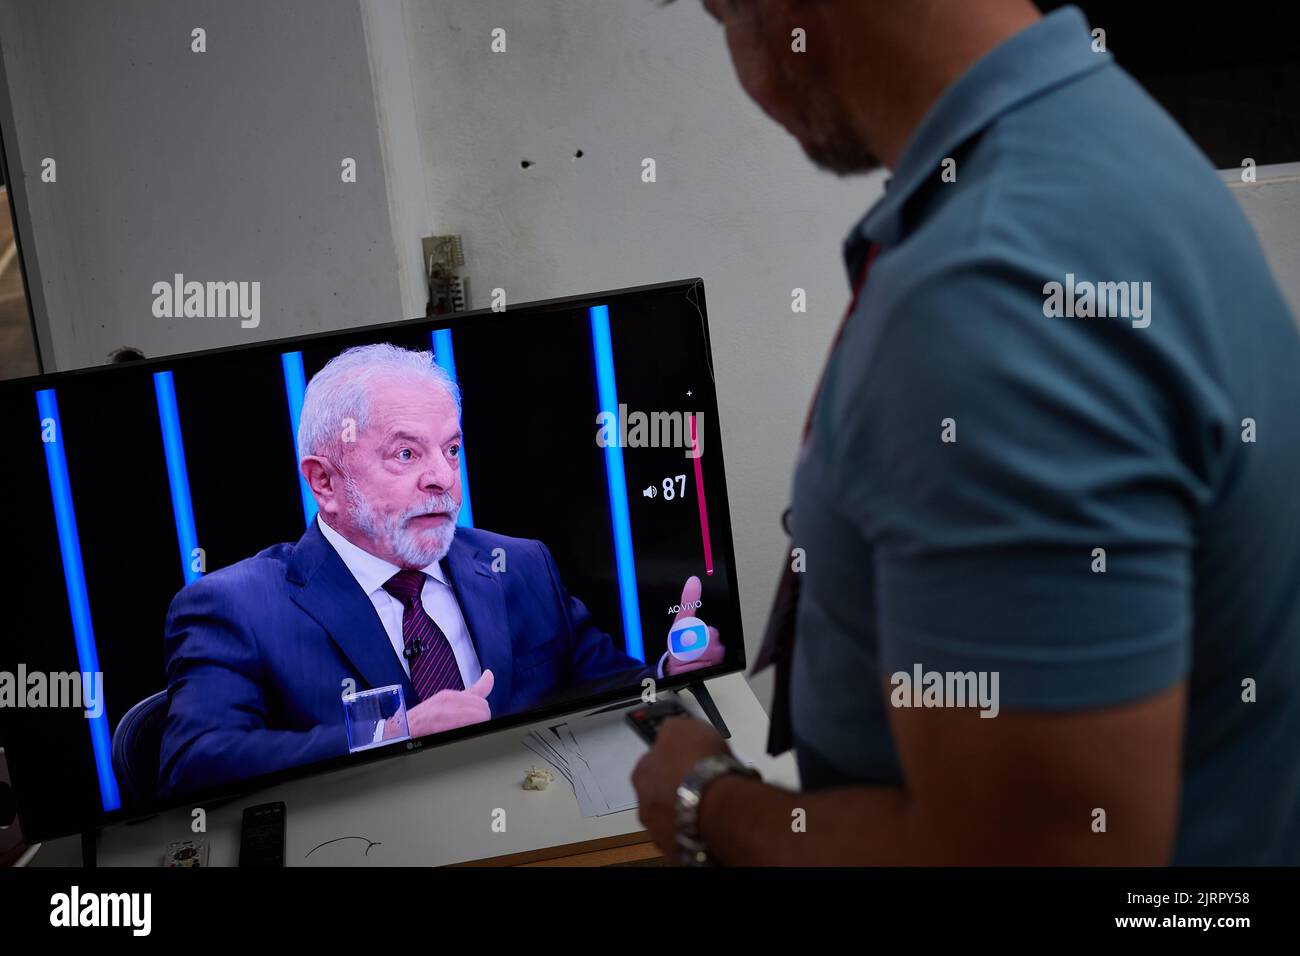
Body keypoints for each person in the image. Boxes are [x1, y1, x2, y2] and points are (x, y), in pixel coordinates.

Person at [632, 1, 1300, 865]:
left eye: (724, 14)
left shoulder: (988, 291)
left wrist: (707, 806)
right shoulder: (1106, 129)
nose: (744, 72)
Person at [159, 343, 722, 797]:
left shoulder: (519, 564)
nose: (442, 478)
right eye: (406, 454)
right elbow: (193, 763)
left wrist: (671, 670)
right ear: (324, 482)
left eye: (450, 451)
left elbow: (598, 682)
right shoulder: (236, 607)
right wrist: (388, 736)